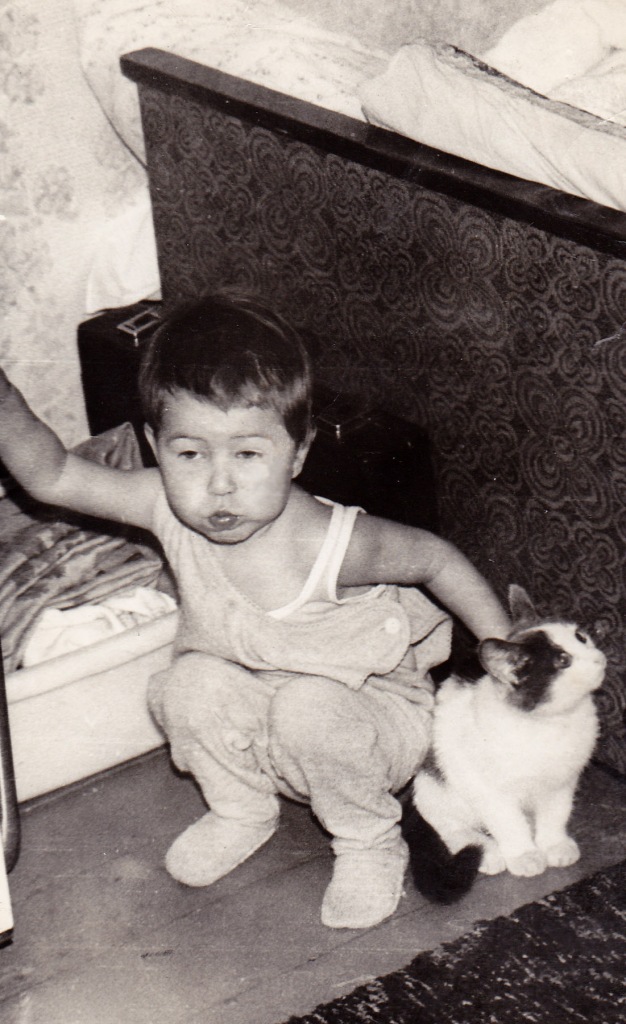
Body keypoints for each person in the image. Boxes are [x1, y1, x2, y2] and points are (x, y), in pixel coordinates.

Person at [0, 294, 511, 929]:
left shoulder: (331, 540)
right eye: (190, 454)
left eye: (247, 455)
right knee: (184, 686)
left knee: (307, 707)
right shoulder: (163, 504)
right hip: (263, 722)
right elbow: (52, 475)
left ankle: (369, 840)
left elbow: (436, 560)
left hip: (371, 720)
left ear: (297, 453)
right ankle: (242, 808)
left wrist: (502, 653)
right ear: (155, 447)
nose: (219, 484)